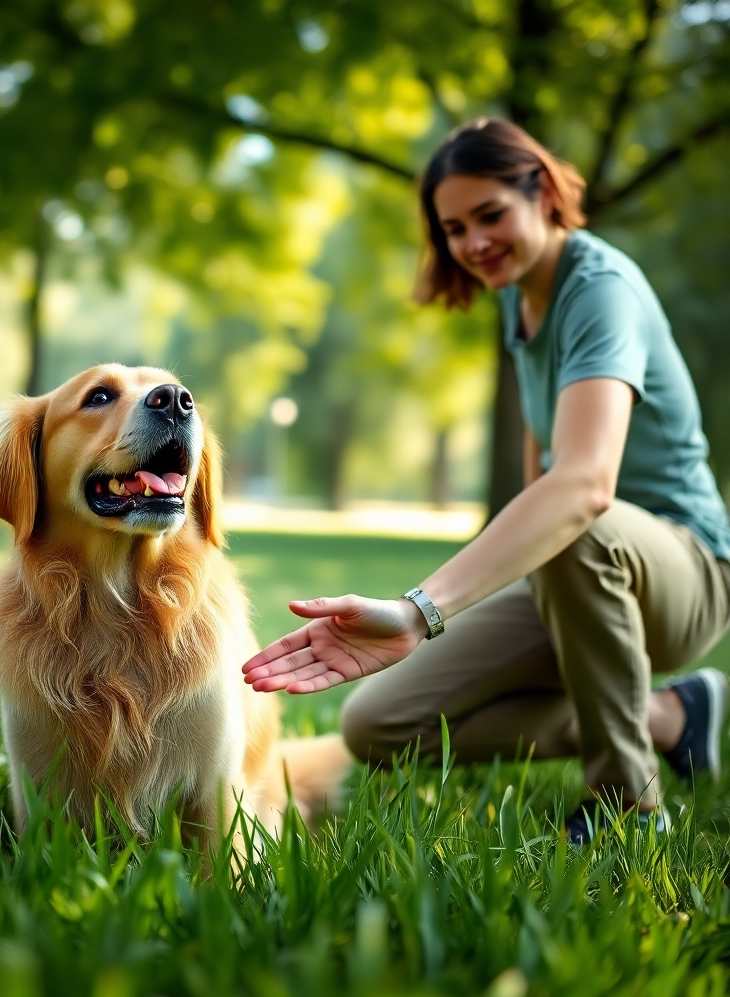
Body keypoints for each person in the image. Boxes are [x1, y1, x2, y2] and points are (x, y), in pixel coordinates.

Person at [242, 117, 730, 844]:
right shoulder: (518, 299)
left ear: (541, 192)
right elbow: (541, 471)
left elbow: (581, 488)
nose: (473, 244)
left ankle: (631, 805)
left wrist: (420, 611)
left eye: (491, 215)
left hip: (686, 574)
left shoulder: (599, 290)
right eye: (454, 228)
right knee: (379, 723)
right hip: (580, 573)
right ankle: (671, 717)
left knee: (575, 522)